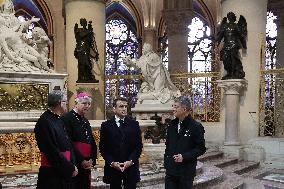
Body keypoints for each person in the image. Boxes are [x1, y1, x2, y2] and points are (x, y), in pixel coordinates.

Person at [34, 90, 78, 189]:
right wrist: (69, 168)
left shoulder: (58, 119)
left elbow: (69, 144)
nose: (67, 104)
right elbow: (51, 150)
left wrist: (73, 164)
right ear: (59, 103)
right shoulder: (44, 122)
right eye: (65, 102)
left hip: (65, 169)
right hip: (52, 173)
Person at [99, 97, 143, 189]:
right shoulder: (106, 126)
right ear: (114, 109)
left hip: (130, 167)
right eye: (121, 106)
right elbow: (103, 148)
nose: (124, 109)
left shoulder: (134, 124)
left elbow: (138, 146)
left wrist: (131, 161)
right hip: (113, 168)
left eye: (126, 106)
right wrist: (112, 163)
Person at [164, 96, 206, 189]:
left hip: (186, 171)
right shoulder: (171, 125)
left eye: (176, 107)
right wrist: (167, 163)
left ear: (184, 109)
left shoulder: (196, 126)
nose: (173, 109)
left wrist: (184, 156)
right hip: (171, 171)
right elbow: (168, 146)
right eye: (173, 106)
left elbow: (201, 148)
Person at [61, 92, 97, 189]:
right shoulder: (66, 118)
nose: (87, 106)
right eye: (84, 103)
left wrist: (92, 159)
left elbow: (92, 141)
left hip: (87, 161)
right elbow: (68, 142)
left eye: (89, 104)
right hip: (75, 161)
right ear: (76, 103)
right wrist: (81, 160)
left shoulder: (85, 120)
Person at [217, 12, 247, 80]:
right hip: (226, 45)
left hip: (234, 45)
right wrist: (216, 43)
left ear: (234, 18)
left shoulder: (236, 26)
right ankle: (229, 72)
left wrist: (244, 45)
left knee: (233, 59)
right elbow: (220, 36)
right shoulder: (224, 26)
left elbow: (241, 35)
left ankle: (233, 73)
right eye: (229, 16)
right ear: (228, 18)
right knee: (225, 59)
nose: (230, 18)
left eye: (232, 16)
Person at [74, 18, 99, 83]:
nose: (84, 23)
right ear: (81, 23)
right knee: (84, 63)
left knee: (88, 63)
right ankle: (82, 77)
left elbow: (91, 43)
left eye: (85, 22)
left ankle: (88, 77)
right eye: (83, 22)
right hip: (81, 49)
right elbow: (81, 35)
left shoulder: (88, 30)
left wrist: (95, 53)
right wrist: (89, 31)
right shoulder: (79, 30)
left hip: (86, 48)